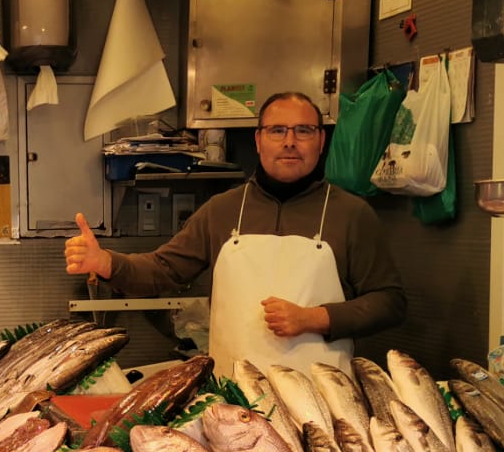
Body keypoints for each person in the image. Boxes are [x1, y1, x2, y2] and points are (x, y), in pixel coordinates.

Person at [64, 91, 406, 376]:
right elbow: (163, 271)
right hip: (234, 399)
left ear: (320, 140)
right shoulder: (222, 209)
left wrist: (316, 317)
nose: (290, 142)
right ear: (258, 141)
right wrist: (106, 262)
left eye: (303, 130)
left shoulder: (351, 213)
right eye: (277, 131)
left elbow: (390, 302)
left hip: (321, 398)